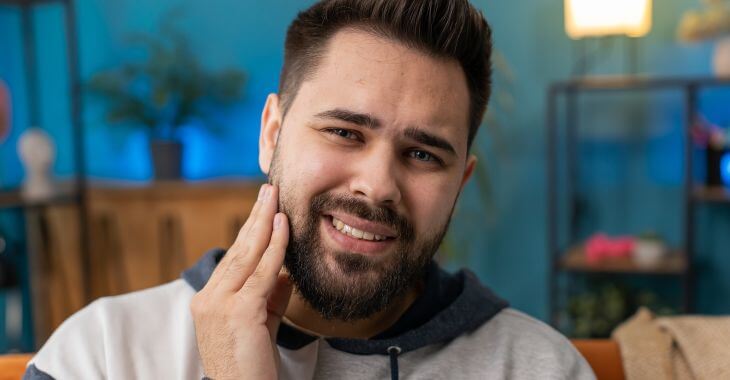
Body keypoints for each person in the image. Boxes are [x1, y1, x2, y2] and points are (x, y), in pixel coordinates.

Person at [24, 1, 595, 379]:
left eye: (423, 154)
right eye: (345, 132)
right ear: (271, 134)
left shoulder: (539, 368)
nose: (377, 185)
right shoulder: (101, 354)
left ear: (460, 182)